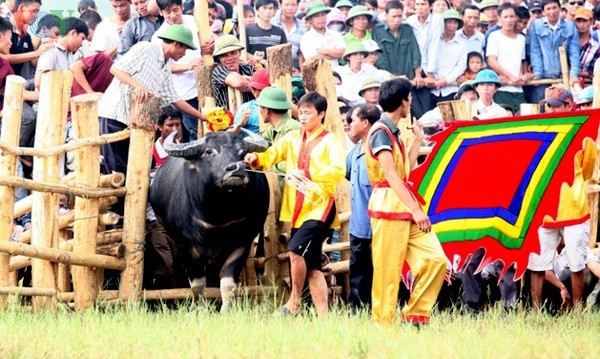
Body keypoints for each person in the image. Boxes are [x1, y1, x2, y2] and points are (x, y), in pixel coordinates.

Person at [244, 91, 346, 317]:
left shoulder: (330, 141)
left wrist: (308, 173)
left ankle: (294, 301)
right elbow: (273, 154)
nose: (303, 117)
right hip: (299, 210)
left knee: (294, 250)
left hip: (320, 208)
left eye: (308, 113)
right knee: (312, 266)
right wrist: (257, 159)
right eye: (301, 112)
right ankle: (324, 317)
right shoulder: (292, 139)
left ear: (321, 114)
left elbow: (338, 170)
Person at [366, 77, 447, 325]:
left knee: (436, 260)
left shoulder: (392, 133)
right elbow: (390, 175)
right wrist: (416, 209)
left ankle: (415, 314)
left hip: (403, 204)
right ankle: (383, 326)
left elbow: (403, 172)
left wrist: (416, 143)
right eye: (409, 98)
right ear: (403, 102)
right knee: (387, 271)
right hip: (390, 206)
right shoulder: (380, 132)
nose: (410, 101)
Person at [98, 24, 207, 176]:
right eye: (184, 49)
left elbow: (175, 99)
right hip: (115, 115)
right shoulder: (145, 48)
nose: (184, 53)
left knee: (141, 166)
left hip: (135, 121)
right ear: (176, 44)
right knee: (118, 169)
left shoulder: (166, 65)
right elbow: (116, 69)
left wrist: (202, 117)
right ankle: (119, 200)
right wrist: (138, 86)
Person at [528, 85, 595, 312]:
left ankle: (577, 311)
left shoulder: (584, 135)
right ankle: (536, 313)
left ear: (569, 105)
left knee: (577, 262)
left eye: (556, 106)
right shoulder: (542, 130)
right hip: (545, 209)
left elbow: (587, 170)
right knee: (537, 263)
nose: (552, 111)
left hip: (573, 208)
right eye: (550, 106)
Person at [346, 103, 380, 310]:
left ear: (365, 123)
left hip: (379, 224)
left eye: (353, 121)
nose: (349, 125)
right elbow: (348, 173)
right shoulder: (355, 150)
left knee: (381, 269)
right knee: (358, 269)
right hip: (359, 223)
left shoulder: (380, 150)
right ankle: (357, 311)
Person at [372, 1, 428, 118]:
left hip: (408, 81)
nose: (397, 19)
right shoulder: (377, 30)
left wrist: (417, 75)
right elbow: (379, 58)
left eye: (400, 16)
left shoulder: (407, 29)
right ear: (386, 15)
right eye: (394, 16)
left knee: (415, 114)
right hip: (388, 83)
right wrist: (392, 77)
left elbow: (415, 53)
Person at [529, 0, 580, 104]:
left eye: (554, 7)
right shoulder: (536, 25)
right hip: (543, 77)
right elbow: (535, 50)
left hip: (563, 76)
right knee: (541, 107)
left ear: (560, 8)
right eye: (548, 9)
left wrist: (574, 74)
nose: (552, 11)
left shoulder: (569, 26)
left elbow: (574, 52)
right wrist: (538, 73)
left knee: (563, 108)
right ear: (543, 12)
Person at [486, 3, 530, 112]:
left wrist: (523, 75)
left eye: (511, 16)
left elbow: (521, 62)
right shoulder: (494, 36)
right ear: (499, 18)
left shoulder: (521, 39)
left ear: (516, 18)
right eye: (505, 17)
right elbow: (491, 61)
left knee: (523, 120)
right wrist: (509, 76)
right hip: (501, 88)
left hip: (518, 89)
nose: (509, 20)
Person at [34, 17, 89, 90]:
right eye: (82, 38)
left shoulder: (70, 55)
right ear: (73, 33)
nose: (82, 44)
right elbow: (39, 82)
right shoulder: (51, 51)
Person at [427, 9, 467, 105]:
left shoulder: (462, 44)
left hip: (451, 88)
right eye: (449, 22)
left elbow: (461, 66)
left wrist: (446, 80)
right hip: (431, 88)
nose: (452, 26)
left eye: (455, 22)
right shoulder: (434, 40)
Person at [211, 34, 255, 109]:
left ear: (239, 53)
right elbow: (239, 83)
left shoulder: (249, 69)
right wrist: (255, 85)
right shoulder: (218, 71)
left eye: (233, 53)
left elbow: (265, 86)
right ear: (219, 58)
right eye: (224, 55)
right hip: (226, 118)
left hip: (251, 115)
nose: (229, 58)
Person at [300, 1, 346, 67]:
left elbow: (342, 52)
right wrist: (334, 53)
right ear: (310, 20)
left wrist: (325, 51)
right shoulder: (306, 38)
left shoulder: (335, 34)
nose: (321, 19)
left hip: (336, 74)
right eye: (316, 16)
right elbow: (312, 59)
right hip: (317, 75)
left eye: (323, 14)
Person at [231, 69, 271, 135]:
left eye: (261, 90)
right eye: (254, 89)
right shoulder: (246, 108)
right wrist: (240, 124)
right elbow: (231, 135)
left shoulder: (281, 106)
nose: (256, 94)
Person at [574, 7, 600, 81]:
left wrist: (574, 71)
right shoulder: (569, 41)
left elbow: (592, 71)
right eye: (578, 21)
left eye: (585, 21)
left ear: (591, 22)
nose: (581, 24)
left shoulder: (596, 47)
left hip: (585, 83)